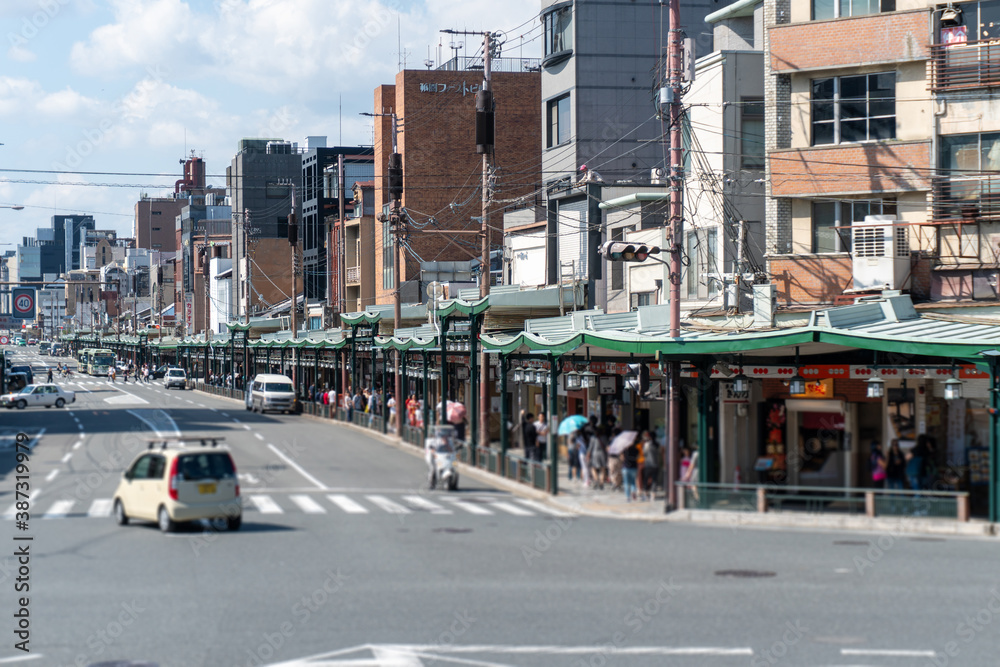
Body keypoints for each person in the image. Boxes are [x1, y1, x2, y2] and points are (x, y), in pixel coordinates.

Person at [640, 430, 660, 501]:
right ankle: (653, 495)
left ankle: (646, 494)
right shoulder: (657, 444)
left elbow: (644, 454)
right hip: (656, 464)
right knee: (655, 480)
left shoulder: (647, 444)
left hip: (648, 464)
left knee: (645, 479)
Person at [586, 426, 607, 490]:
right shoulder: (604, 437)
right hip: (602, 454)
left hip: (594, 454)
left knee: (593, 468)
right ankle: (601, 483)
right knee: (602, 469)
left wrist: (588, 455)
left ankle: (596, 480)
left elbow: (590, 448)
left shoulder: (593, 438)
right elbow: (607, 446)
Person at [621, 434, 640, 502]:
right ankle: (633, 491)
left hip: (625, 467)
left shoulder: (625, 450)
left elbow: (622, 458)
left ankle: (628, 497)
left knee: (626, 483)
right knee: (633, 482)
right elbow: (637, 458)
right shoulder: (636, 450)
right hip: (634, 467)